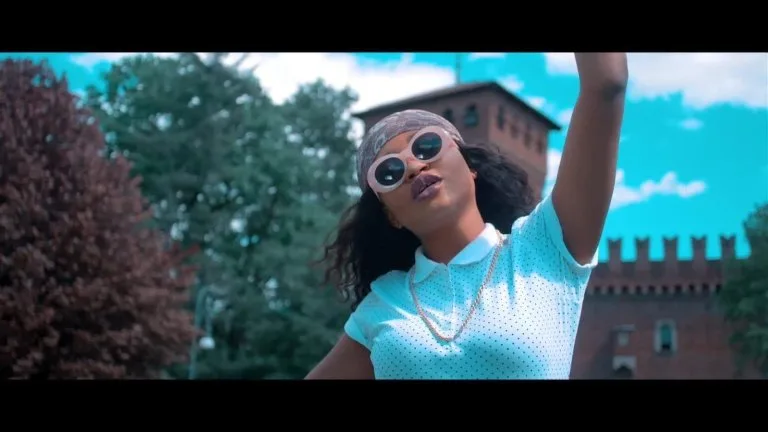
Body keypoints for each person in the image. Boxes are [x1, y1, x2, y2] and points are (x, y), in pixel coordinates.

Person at [306, 52, 628, 379]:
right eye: (389, 172)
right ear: (391, 216)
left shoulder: (545, 248)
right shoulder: (383, 304)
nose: (414, 166)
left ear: (470, 167)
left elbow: (607, 85)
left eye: (427, 146)